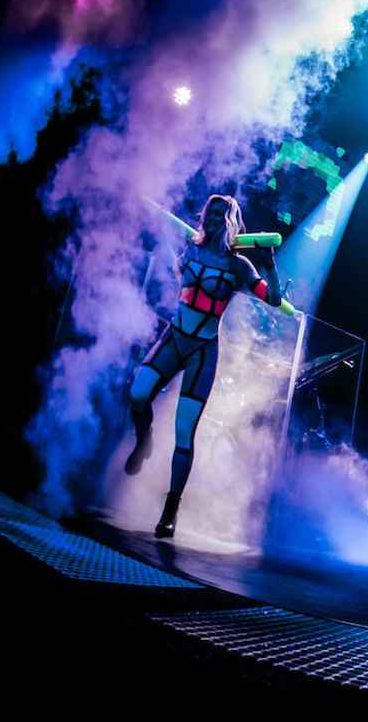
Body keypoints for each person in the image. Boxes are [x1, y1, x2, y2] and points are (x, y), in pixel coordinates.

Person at [124, 194, 283, 538]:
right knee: (137, 394)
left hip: (202, 351)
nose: (212, 218)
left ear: (230, 221)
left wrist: (269, 263)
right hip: (173, 338)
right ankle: (144, 440)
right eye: (210, 212)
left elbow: (273, 299)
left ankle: (170, 510)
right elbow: (176, 274)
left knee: (184, 432)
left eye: (220, 214)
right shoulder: (191, 250)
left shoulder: (239, 266)